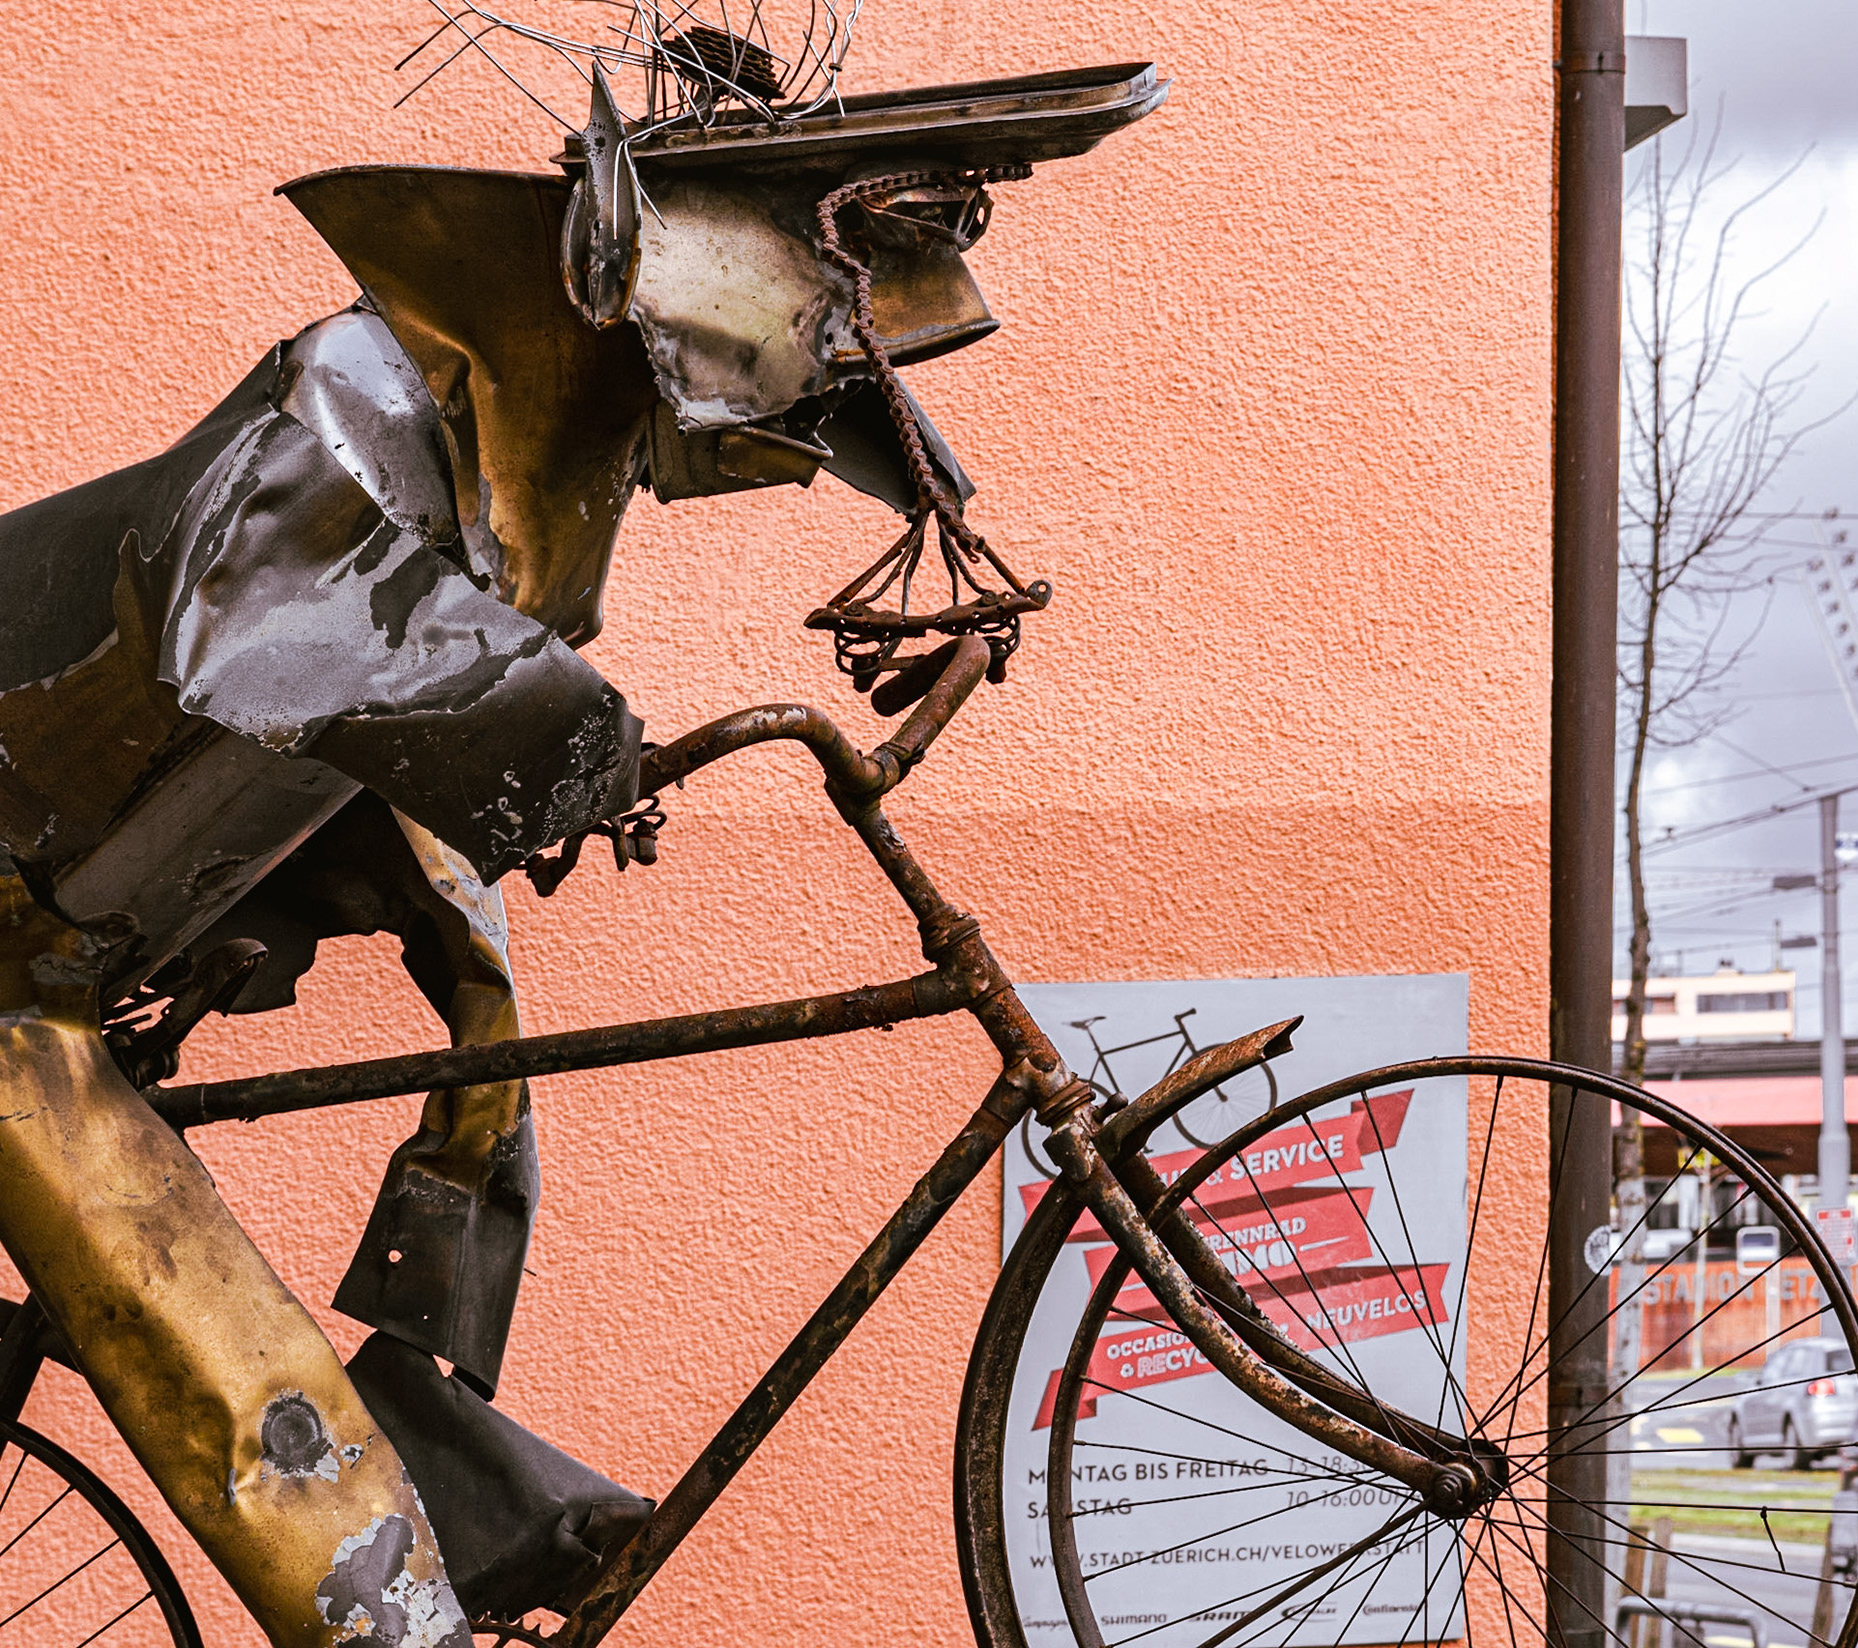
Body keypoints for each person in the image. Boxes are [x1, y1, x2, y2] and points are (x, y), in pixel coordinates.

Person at [0, 48, 1164, 1647]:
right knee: (216, 1353)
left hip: (99, 921)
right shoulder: (352, 394)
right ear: (642, 267)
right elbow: (249, 616)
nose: (797, 409)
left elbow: (368, 727)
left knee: (492, 1064)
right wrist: (571, 749)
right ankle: (390, 1603)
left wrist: (484, 851)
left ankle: (480, 1496)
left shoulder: (528, 474)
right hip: (16, 961)